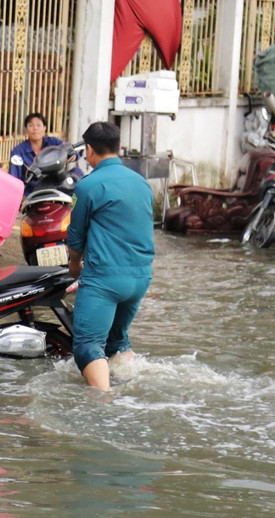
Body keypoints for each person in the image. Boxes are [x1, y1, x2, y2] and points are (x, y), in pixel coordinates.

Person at [66, 121, 155, 392]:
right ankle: (137, 387)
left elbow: (76, 236)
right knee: (116, 341)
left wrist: (74, 265)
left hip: (105, 280)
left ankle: (104, 402)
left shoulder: (88, 185)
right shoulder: (143, 184)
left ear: (89, 150)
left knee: (88, 346)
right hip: (140, 279)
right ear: (119, 148)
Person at [9, 112, 68, 196]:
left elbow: (73, 152)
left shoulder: (53, 142)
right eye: (31, 125)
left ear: (44, 128)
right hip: (31, 194)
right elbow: (14, 178)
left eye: (38, 125)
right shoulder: (18, 151)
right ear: (26, 129)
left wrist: (71, 155)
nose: (35, 128)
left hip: (55, 190)